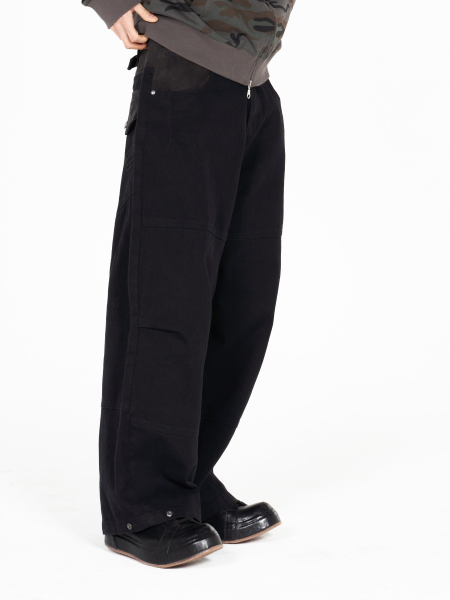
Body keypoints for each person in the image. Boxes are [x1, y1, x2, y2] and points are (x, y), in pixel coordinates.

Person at [83, 0, 296, 568]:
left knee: (242, 304)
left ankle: (188, 479)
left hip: (253, 85)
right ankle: (142, 507)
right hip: (185, 73)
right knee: (165, 301)